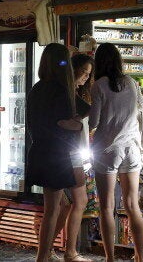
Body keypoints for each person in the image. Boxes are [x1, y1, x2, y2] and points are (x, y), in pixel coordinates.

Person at [89, 43, 143, 262]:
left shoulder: (98, 86)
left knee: (106, 206)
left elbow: (94, 121)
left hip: (107, 150)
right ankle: (139, 257)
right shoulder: (132, 83)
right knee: (133, 205)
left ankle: (110, 258)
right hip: (132, 149)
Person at [26, 43, 84, 262]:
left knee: (57, 205)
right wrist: (78, 125)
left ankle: (45, 254)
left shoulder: (37, 89)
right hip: (57, 154)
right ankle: (42, 257)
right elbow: (64, 123)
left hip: (40, 150)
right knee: (52, 209)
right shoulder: (60, 89)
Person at [49, 53, 95, 262]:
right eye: (83, 72)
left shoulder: (75, 94)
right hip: (70, 154)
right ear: (73, 70)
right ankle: (69, 252)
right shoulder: (69, 96)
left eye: (88, 74)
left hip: (75, 153)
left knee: (67, 204)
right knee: (79, 201)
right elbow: (68, 123)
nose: (85, 77)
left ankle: (50, 247)